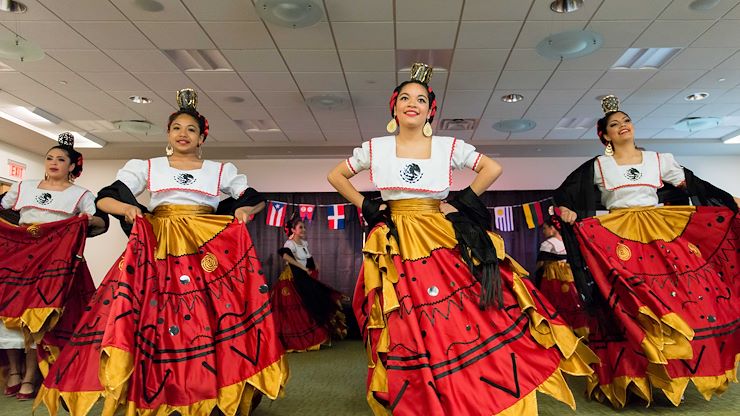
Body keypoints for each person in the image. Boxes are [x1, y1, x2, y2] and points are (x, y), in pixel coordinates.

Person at [327, 63, 596, 416]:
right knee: (408, 320)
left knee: (464, 312)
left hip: (440, 231)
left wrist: (460, 201)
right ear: (394, 108)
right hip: (396, 239)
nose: (412, 103)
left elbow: (492, 169)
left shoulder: (447, 145)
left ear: (429, 111)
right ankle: (427, 395)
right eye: (405, 98)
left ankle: (477, 389)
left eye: (420, 99)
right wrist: (367, 204)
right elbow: (336, 175)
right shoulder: (375, 148)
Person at [35, 89, 288, 416]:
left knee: (209, 317)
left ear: (201, 138)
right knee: (153, 316)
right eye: (177, 128)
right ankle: (154, 389)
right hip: (159, 245)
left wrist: (243, 211)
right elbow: (104, 198)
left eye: (191, 130)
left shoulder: (220, 170)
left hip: (203, 247)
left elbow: (254, 197)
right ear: (168, 134)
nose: (183, 134)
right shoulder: (147, 166)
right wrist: (127, 208)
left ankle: (210, 389)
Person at [553, 95, 740, 408]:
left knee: (682, 295)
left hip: (661, 232)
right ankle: (635, 371)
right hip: (618, 238)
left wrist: (725, 199)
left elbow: (693, 186)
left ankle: (679, 364)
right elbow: (565, 196)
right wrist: (564, 209)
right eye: (615, 125)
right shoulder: (598, 167)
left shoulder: (659, 159)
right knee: (628, 302)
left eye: (626, 121)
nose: (623, 126)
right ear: (605, 136)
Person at [0, 133, 107, 401]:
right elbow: (3, 212)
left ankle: (31, 375)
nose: (53, 163)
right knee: (9, 311)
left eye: (61, 159)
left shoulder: (81, 194)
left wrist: (84, 220)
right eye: (49, 158)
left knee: (42, 316)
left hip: (54, 261)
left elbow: (101, 222)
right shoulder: (23, 186)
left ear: (72, 166)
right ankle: (14, 370)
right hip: (18, 257)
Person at [271, 214, 346, 351]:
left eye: (304, 227)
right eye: (301, 227)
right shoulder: (289, 243)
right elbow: (285, 256)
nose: (304, 230)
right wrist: (302, 267)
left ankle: (316, 337)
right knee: (296, 310)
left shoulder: (304, 243)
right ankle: (294, 340)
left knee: (311, 305)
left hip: (303, 277)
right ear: (293, 230)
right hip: (292, 279)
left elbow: (308, 258)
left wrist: (314, 264)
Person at [535, 216, 593, 339]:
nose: (544, 232)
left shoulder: (547, 244)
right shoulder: (566, 242)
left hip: (553, 276)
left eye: (545, 228)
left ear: (552, 228)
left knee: (553, 301)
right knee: (572, 301)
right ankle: (580, 331)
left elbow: (540, 264)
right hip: (568, 274)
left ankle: (558, 331)